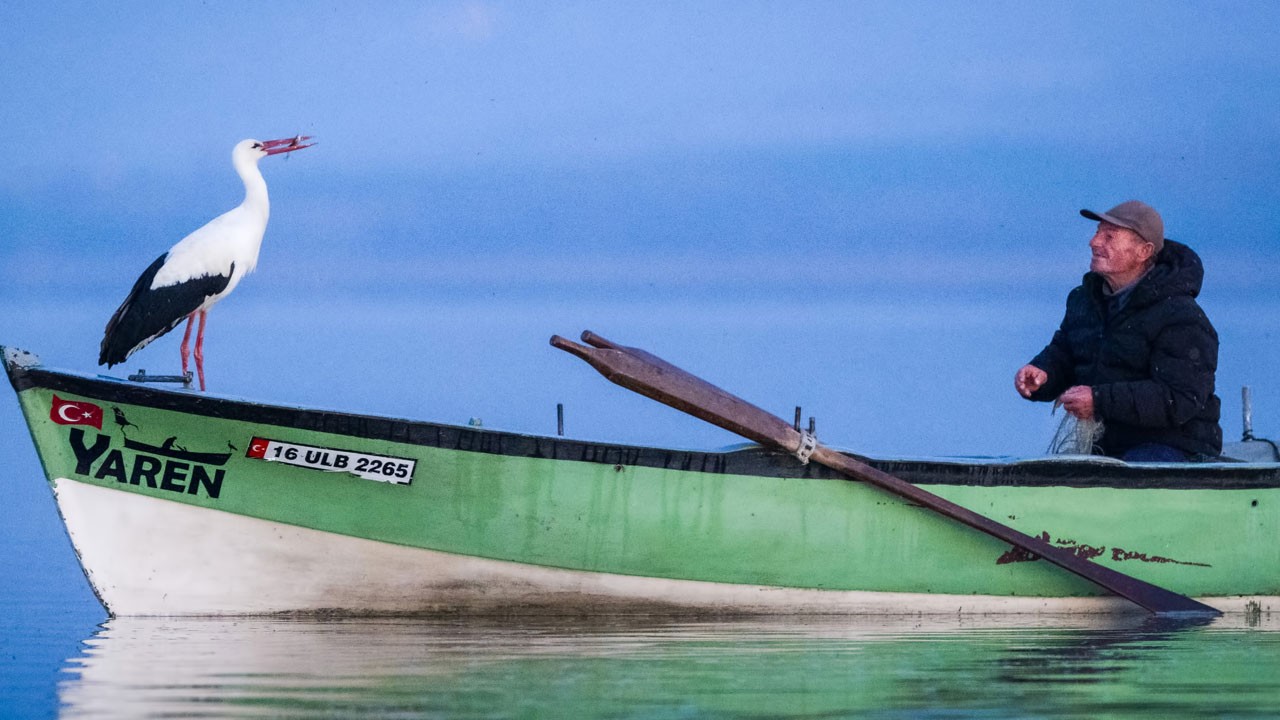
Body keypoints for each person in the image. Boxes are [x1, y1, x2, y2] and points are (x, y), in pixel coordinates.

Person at [1014, 200, 1222, 462]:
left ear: (1143, 251)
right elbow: (1066, 353)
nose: (1094, 242)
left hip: (1174, 448)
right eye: (1097, 232)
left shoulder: (1182, 317)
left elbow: (1179, 398)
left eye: (1109, 236)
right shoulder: (1084, 301)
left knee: (1133, 470)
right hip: (1108, 449)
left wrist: (1099, 401)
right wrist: (1042, 373)